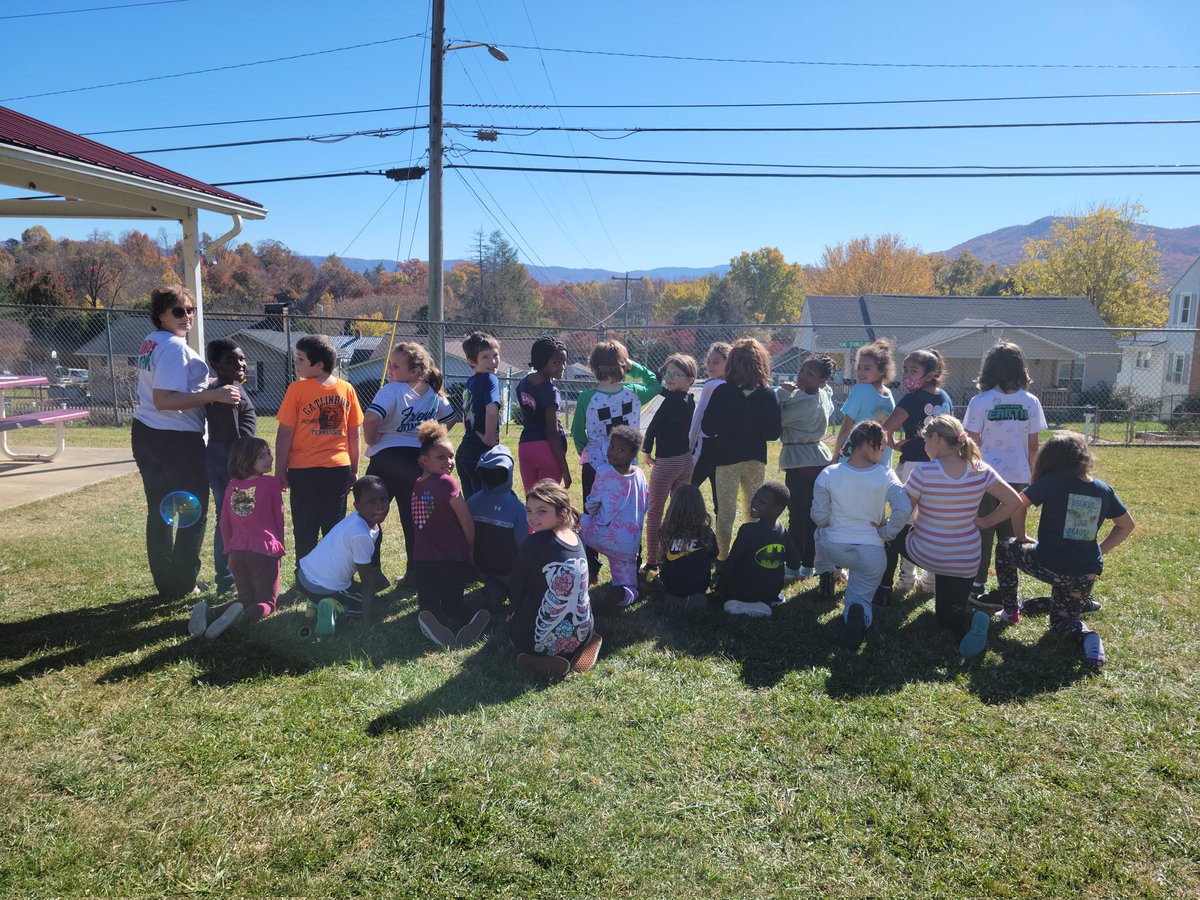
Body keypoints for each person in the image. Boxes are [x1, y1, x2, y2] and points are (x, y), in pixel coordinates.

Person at [879, 415, 1023, 658]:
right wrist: (985, 522)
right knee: (948, 615)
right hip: (965, 559)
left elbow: (903, 513)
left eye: (925, 440)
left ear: (935, 438)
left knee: (889, 533)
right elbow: (1014, 501)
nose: (924, 446)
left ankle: (881, 591)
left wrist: (885, 525)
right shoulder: (981, 470)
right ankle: (971, 620)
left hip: (928, 553)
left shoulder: (923, 471)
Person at [131, 286, 240, 599]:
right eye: (178, 311)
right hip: (174, 438)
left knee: (160, 510)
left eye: (191, 310)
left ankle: (167, 581)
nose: (187, 316)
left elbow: (172, 385)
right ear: (161, 315)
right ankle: (184, 582)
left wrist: (205, 385)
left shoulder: (152, 342)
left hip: (146, 432)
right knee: (193, 510)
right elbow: (165, 399)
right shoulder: (175, 347)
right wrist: (214, 394)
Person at [993, 432, 1134, 671]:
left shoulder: (1053, 481)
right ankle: (1089, 638)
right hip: (1082, 575)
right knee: (1062, 624)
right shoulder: (1103, 489)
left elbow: (1017, 504)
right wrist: (1099, 551)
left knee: (1005, 547)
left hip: (1048, 563)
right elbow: (1126, 525)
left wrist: (1020, 536)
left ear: (1050, 460)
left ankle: (1010, 610)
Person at [811, 421, 912, 650]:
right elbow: (903, 508)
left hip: (834, 547)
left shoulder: (829, 473)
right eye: (882, 444)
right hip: (871, 553)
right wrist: (886, 532)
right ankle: (856, 611)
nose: (885, 449)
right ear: (867, 443)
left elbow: (818, 516)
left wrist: (829, 525)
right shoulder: (886, 475)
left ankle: (826, 571)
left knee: (820, 533)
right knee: (859, 596)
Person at [363, 342, 456, 586]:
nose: (390, 371)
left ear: (414, 371)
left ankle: (372, 573)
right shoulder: (434, 395)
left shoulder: (392, 390)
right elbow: (451, 419)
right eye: (389, 365)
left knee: (370, 517)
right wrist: (427, 439)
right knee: (414, 520)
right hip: (415, 464)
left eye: (395, 366)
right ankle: (415, 574)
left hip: (384, 460)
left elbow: (371, 417)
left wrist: (371, 439)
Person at [963, 340, 1047, 607]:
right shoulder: (1031, 402)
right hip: (1019, 479)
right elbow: (1034, 447)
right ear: (1021, 369)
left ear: (989, 369)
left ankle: (975, 587)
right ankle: (1008, 589)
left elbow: (970, 444)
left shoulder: (980, 402)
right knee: (1011, 536)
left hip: (985, 478)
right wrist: (1035, 480)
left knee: (981, 530)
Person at [276, 334, 364, 565]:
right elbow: (354, 435)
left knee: (305, 525)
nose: (296, 364)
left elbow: (285, 433)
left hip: (304, 470)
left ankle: (305, 576)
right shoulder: (347, 389)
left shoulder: (297, 389)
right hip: (337, 468)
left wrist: (280, 468)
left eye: (301, 359)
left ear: (319, 364)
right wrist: (354, 468)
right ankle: (328, 575)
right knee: (333, 526)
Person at [189, 437, 284, 639]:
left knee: (245, 598)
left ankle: (212, 612)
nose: (270, 458)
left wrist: (229, 550)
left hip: (237, 553)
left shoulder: (232, 486)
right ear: (246, 460)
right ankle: (239, 621)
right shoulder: (271, 483)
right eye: (262, 455)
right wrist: (279, 547)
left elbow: (224, 522)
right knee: (267, 602)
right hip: (263, 552)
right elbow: (278, 519)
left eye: (268, 453)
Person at [508, 479, 601, 680]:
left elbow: (516, 587)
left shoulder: (534, 543)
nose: (533, 517)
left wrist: (512, 612)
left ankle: (535, 659)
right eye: (529, 510)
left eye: (542, 511)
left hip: (536, 641)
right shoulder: (576, 537)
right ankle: (578, 648)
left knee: (512, 632)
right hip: (584, 632)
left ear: (563, 513)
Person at [701, 338, 782, 560]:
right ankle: (751, 555)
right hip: (755, 459)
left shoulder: (722, 392)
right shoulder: (768, 394)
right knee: (754, 509)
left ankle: (723, 557)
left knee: (725, 512)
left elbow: (707, 427)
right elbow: (774, 433)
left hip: (726, 459)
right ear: (761, 365)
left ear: (731, 365)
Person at [880, 349, 954, 594]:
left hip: (913, 467)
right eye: (905, 370)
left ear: (931, 374)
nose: (907, 375)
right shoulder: (945, 397)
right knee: (931, 523)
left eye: (913, 371)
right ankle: (930, 581)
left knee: (906, 523)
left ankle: (907, 579)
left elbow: (886, 428)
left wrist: (892, 443)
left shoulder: (911, 399)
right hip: (942, 468)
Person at [409, 421, 486, 650]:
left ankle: (432, 620)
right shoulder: (448, 482)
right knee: (454, 604)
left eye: (451, 456)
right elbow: (466, 520)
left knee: (428, 604)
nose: (449, 462)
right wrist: (470, 550)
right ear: (424, 460)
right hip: (452, 559)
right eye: (441, 457)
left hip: (423, 560)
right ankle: (471, 621)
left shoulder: (417, 484)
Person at [295, 475, 390, 634]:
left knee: (364, 593)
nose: (380, 505)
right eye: (371, 501)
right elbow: (367, 582)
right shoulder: (360, 535)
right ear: (357, 505)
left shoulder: (355, 518)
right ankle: (336, 608)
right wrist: (366, 622)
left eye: (384, 499)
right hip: (322, 586)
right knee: (379, 606)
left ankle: (314, 604)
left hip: (304, 576)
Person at [204, 337, 257, 595]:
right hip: (228, 464)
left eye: (241, 358)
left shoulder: (230, 386)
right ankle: (227, 578)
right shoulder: (227, 391)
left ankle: (228, 576)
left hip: (223, 461)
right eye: (231, 360)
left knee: (229, 519)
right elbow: (230, 434)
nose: (240, 364)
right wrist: (241, 469)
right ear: (215, 364)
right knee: (229, 521)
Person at [776, 354, 835, 581]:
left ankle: (795, 566)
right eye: (802, 370)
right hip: (818, 458)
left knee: (799, 517)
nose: (803, 376)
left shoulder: (804, 403)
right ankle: (809, 564)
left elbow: (777, 416)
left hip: (802, 463)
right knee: (813, 516)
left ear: (821, 380)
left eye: (810, 374)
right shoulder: (823, 394)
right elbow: (827, 391)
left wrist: (783, 393)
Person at [580, 424, 649, 611]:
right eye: (612, 446)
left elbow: (592, 506)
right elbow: (646, 504)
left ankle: (576, 575)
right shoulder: (641, 474)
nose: (613, 453)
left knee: (573, 524)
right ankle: (623, 595)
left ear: (632, 454)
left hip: (602, 536)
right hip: (629, 544)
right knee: (628, 585)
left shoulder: (604, 472)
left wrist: (585, 518)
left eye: (621, 450)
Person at [642, 353, 697, 572]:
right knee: (679, 509)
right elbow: (660, 385)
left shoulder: (670, 402)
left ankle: (653, 559)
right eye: (668, 373)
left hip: (667, 463)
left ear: (690, 378)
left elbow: (653, 427)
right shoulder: (688, 399)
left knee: (655, 511)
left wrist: (646, 451)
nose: (670, 378)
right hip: (686, 460)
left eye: (677, 374)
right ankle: (675, 553)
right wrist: (662, 372)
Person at [715, 480, 800, 618]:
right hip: (770, 593)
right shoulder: (783, 533)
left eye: (763, 502)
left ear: (777, 510)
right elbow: (795, 563)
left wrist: (719, 590)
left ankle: (742, 604)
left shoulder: (748, 530)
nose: (755, 503)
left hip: (741, 592)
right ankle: (766, 603)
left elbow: (732, 562)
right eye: (755, 497)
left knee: (730, 598)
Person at [466, 444, 529, 615]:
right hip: (510, 570)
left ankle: (494, 590)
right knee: (526, 596)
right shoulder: (517, 508)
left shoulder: (472, 502)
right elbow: (523, 544)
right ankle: (516, 597)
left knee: (494, 585)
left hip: (483, 567)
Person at [515, 336, 571, 493]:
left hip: (525, 447)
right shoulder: (551, 392)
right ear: (542, 360)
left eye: (564, 362)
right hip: (547, 449)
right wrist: (565, 470)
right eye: (557, 363)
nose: (563, 366)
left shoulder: (522, 384)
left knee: (531, 500)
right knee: (549, 502)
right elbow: (552, 432)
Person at [833, 338, 896, 470]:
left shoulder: (860, 390)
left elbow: (846, 427)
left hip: (855, 462)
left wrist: (835, 457)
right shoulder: (889, 394)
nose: (861, 372)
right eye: (859, 367)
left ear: (882, 371)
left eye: (867, 368)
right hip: (881, 462)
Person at [455, 331, 502, 500]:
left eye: (495, 355)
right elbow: (491, 411)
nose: (493, 361)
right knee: (485, 507)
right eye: (485, 357)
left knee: (472, 506)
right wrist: (489, 438)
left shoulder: (471, 381)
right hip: (480, 451)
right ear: (471, 361)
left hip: (464, 451)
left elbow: (465, 416)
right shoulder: (490, 379)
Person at [657, 483, 718, 610]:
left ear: (673, 506)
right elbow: (713, 554)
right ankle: (690, 599)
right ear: (700, 507)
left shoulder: (667, 530)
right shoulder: (706, 533)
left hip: (670, 585)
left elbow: (662, 558)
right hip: (699, 586)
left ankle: (674, 598)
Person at [690, 342, 731, 515]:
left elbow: (698, 419)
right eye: (708, 361)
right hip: (725, 449)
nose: (710, 365)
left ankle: (687, 529)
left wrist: (689, 445)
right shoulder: (733, 386)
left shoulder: (712, 386)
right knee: (720, 500)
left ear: (728, 363)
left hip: (705, 446)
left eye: (716, 362)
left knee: (685, 490)